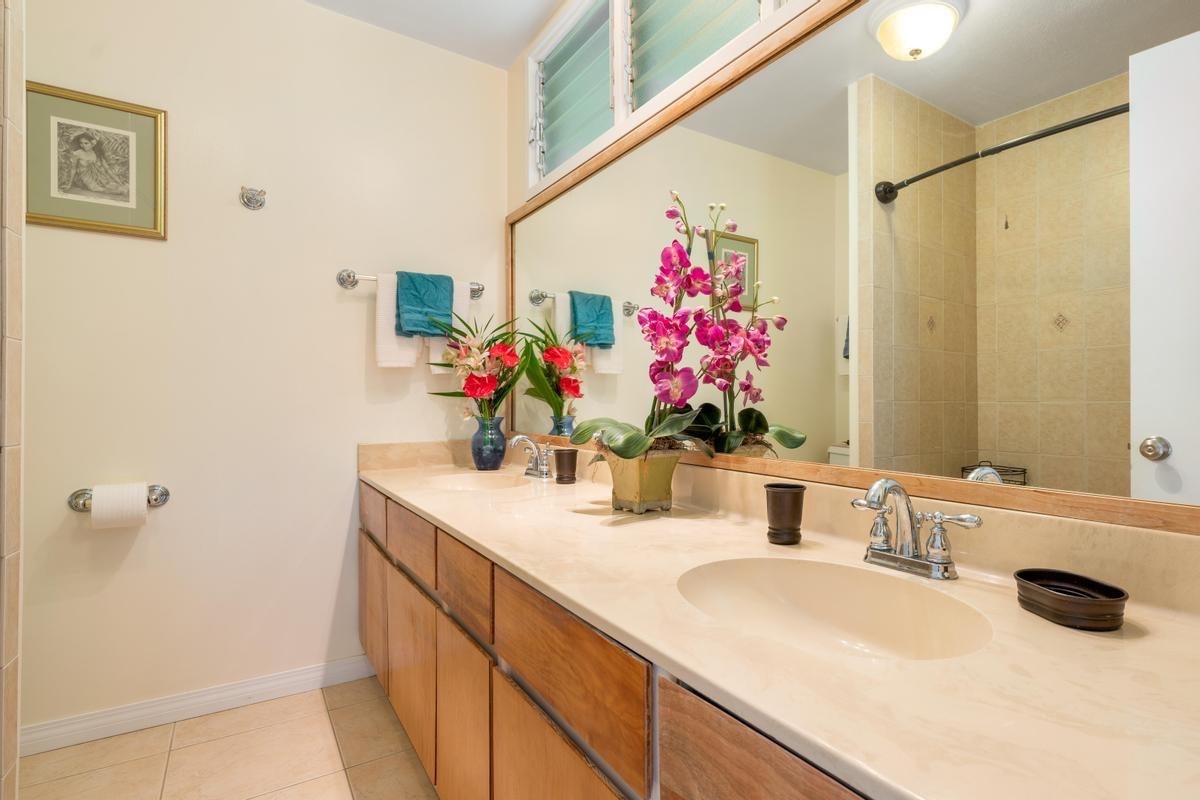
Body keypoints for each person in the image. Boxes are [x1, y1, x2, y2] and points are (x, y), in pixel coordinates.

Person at [59, 130, 126, 197]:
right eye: (81, 143)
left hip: (97, 177)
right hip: (83, 179)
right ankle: (119, 191)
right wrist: (69, 184)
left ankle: (120, 187)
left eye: (86, 143)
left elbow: (106, 168)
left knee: (112, 184)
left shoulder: (95, 153)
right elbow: (73, 169)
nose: (83, 145)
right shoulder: (78, 153)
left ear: (93, 143)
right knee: (97, 189)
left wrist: (118, 181)